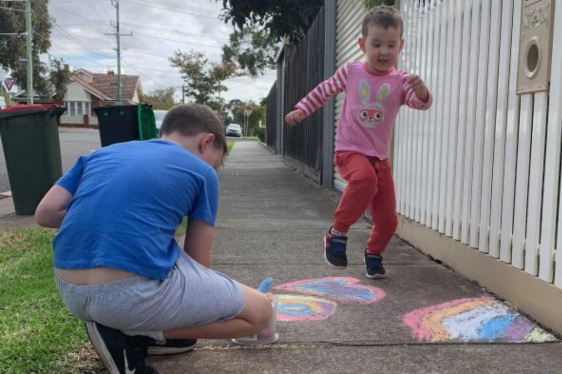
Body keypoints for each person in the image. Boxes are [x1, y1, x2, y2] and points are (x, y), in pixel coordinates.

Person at [35, 103, 273, 374]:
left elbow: (45, 213)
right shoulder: (202, 171)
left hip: (70, 288)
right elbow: (199, 264)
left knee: (167, 258)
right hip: (127, 296)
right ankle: (135, 334)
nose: (212, 168)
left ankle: (133, 329)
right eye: (216, 162)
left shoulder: (100, 154)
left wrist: (113, 223)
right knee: (259, 314)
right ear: (207, 142)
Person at [285, 5, 432, 279]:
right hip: (350, 151)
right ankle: (336, 233)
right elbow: (324, 89)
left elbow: (418, 103)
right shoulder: (351, 71)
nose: (384, 52)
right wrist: (302, 109)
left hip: (380, 159)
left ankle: (373, 254)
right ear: (363, 44)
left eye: (390, 45)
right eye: (376, 44)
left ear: (400, 45)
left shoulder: (401, 81)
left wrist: (423, 93)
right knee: (364, 180)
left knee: (388, 220)